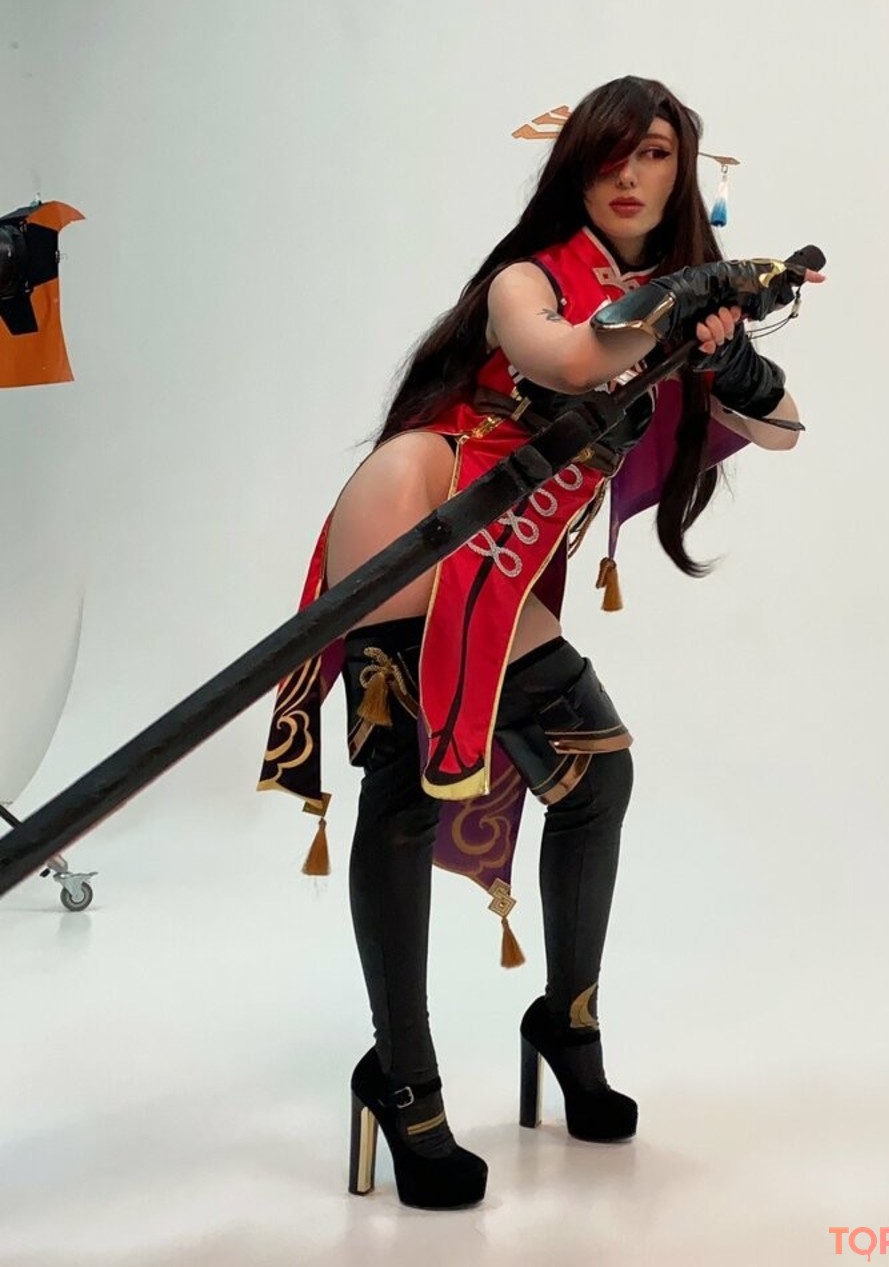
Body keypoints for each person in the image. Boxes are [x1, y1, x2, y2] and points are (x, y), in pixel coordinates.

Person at [259, 75, 823, 1210]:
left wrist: (729, 357)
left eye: (654, 153)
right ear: (576, 167)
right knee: (405, 798)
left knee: (597, 776)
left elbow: (784, 429)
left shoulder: (669, 303)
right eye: (610, 154)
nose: (631, 175)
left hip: (502, 557)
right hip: (421, 509)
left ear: (682, 169)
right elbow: (569, 360)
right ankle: (402, 1077)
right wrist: (682, 303)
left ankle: (567, 1022)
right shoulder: (529, 278)